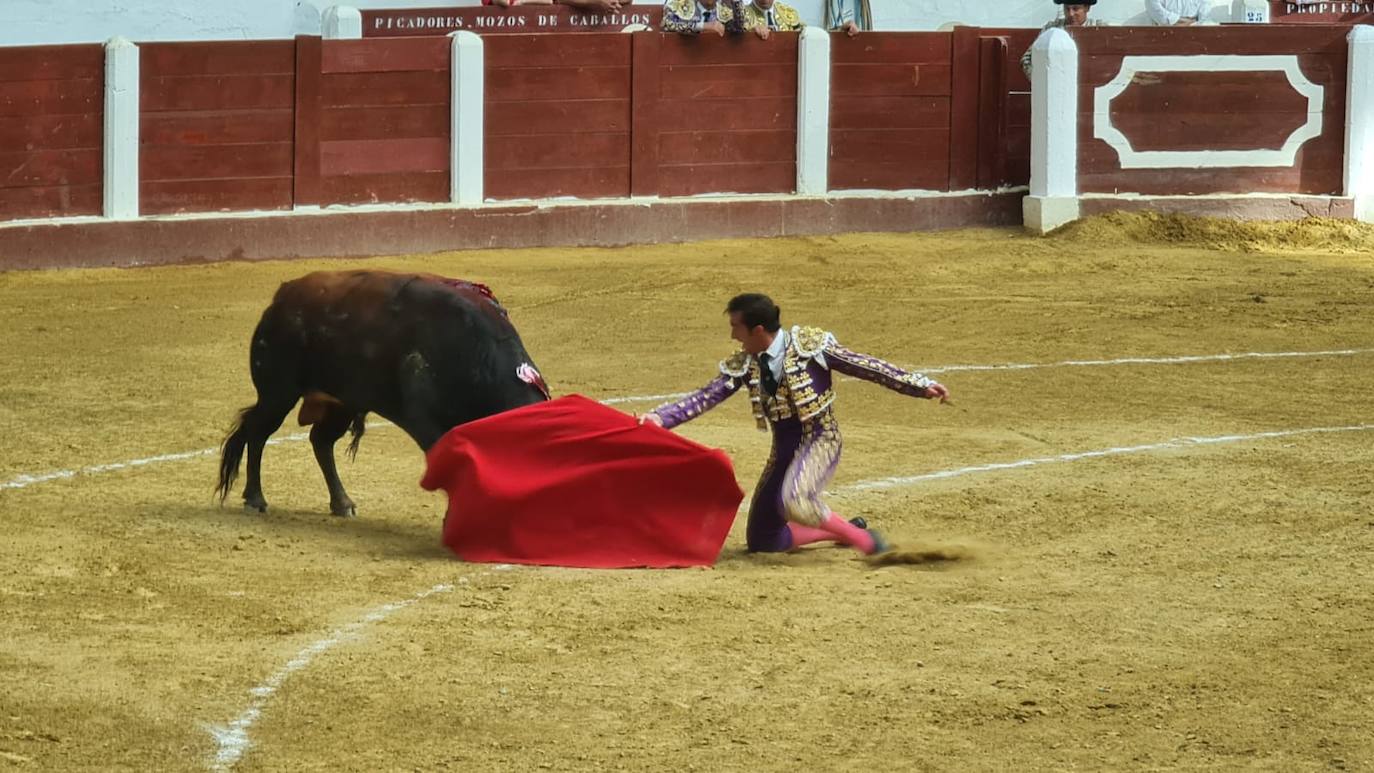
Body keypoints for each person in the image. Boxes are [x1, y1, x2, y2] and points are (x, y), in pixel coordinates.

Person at [639, 294, 950, 557]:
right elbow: (707, 395)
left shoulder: (810, 346)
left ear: (757, 329)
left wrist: (918, 385)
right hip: (784, 448)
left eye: (736, 327)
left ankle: (867, 542)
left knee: (797, 501)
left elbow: (864, 365)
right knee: (763, 541)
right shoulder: (746, 362)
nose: (733, 335)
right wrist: (662, 418)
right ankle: (841, 531)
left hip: (820, 438)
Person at [1021, 0, 1107, 79]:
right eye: (1067, 9)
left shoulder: (1100, 29)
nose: (1071, 14)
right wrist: (1043, 81)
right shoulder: (1051, 28)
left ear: (1087, 8)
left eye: (1075, 9)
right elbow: (1027, 59)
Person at [662, 0, 738, 35]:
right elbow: (668, 23)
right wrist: (703, 26)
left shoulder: (726, 9)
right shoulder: (680, 5)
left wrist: (735, 2)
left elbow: (743, 26)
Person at [739, 0, 803, 39]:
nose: (765, 0)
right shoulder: (741, 15)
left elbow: (803, 34)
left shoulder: (788, 13)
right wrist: (750, 31)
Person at [1147, 0, 1212, 25]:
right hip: (1163, 36)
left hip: (1194, 37)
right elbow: (1156, 12)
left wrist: (1193, 23)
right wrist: (1189, 21)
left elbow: (1205, 15)